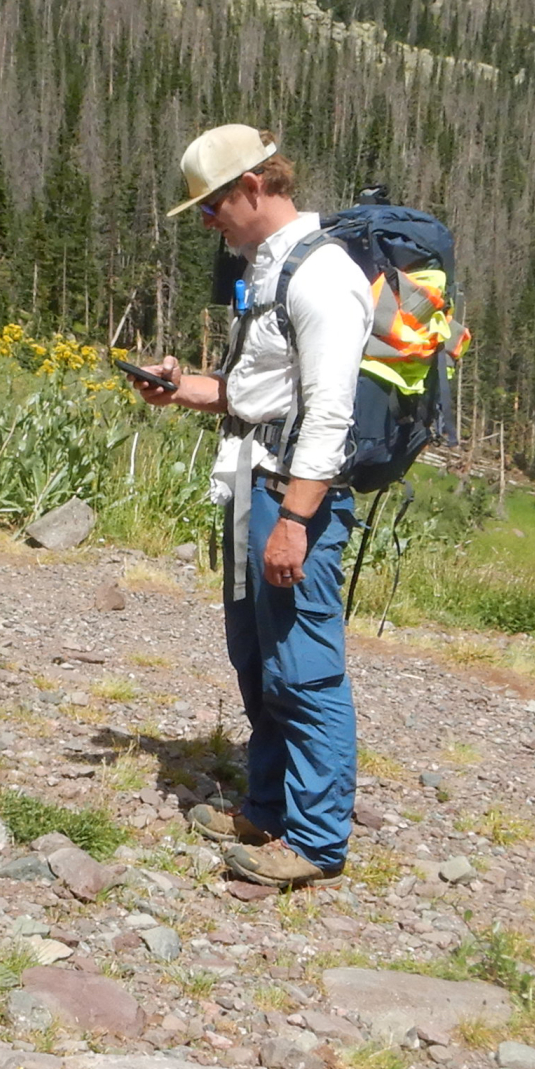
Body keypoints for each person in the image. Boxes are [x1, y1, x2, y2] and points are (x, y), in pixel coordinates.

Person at [136, 124, 372, 889]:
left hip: (287, 500)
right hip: (247, 486)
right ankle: (266, 806)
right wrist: (180, 388)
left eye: (212, 208)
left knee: (303, 670)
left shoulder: (321, 274)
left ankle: (315, 840)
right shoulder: (267, 271)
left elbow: (331, 414)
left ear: (254, 186)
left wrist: (298, 522)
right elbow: (253, 394)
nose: (210, 224)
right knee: (257, 661)